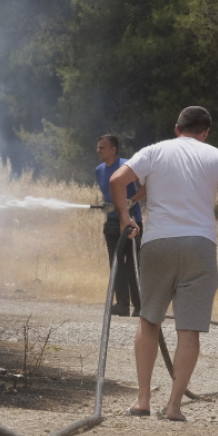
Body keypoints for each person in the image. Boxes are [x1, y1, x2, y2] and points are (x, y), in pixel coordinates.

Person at [109, 106, 218, 422]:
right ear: (206, 132)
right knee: (189, 329)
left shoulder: (154, 151)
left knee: (149, 321)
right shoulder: (217, 157)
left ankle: (142, 400)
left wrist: (126, 217)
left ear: (176, 127)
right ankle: (173, 407)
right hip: (199, 245)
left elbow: (117, 179)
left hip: (158, 242)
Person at [95, 134, 142, 316]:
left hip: (132, 221)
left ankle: (140, 306)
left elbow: (145, 187)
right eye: (98, 147)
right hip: (112, 223)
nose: (98, 151)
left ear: (113, 149)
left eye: (102, 148)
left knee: (133, 264)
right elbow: (108, 194)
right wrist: (105, 205)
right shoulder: (99, 170)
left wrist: (131, 201)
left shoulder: (128, 166)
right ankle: (122, 304)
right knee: (116, 264)